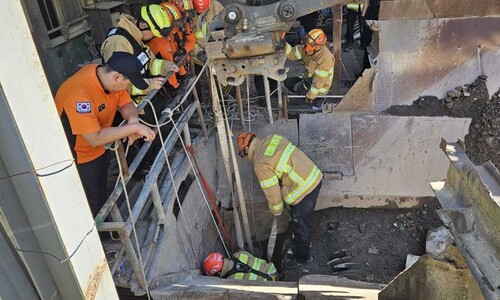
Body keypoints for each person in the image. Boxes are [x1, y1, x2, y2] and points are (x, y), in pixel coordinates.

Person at [55, 52, 156, 217]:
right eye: (127, 83)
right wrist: (133, 129)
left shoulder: (104, 76)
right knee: (91, 202)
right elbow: (94, 138)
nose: (127, 87)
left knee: (102, 191)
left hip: (101, 149)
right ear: (117, 77)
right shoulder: (78, 94)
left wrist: (133, 120)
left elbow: (125, 103)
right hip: (80, 157)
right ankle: (99, 239)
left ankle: (107, 224)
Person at [237, 132, 323, 268]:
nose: (246, 156)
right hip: (313, 174)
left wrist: (276, 211)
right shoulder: (271, 138)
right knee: (301, 220)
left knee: (300, 224)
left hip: (303, 187)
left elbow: (272, 192)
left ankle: (302, 258)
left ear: (246, 148)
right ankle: (301, 243)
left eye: (244, 154)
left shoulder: (260, 163)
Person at [101, 4, 179, 98]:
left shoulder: (135, 35)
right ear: (143, 25)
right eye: (153, 34)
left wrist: (167, 66)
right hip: (131, 107)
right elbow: (119, 84)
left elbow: (150, 62)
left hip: (144, 98)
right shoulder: (117, 44)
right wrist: (150, 85)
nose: (153, 37)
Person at [284, 29, 334, 108]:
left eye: (309, 47)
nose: (306, 49)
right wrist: (283, 44)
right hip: (308, 77)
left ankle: (317, 102)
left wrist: (310, 96)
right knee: (288, 82)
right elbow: (292, 53)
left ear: (317, 48)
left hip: (319, 88)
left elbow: (319, 81)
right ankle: (300, 93)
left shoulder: (325, 59)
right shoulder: (306, 47)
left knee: (293, 102)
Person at [203, 251, 279, 281]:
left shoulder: (231, 280)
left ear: (218, 273)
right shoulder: (239, 254)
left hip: (267, 287)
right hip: (272, 270)